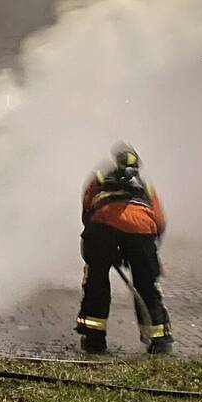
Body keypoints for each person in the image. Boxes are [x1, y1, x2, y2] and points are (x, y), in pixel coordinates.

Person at [75, 142, 174, 354]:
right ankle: (160, 340)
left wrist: (96, 242)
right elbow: (159, 220)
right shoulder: (145, 185)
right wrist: (149, 254)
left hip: (103, 228)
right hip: (142, 231)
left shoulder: (100, 177)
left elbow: (87, 206)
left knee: (96, 282)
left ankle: (94, 339)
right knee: (147, 284)